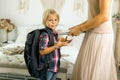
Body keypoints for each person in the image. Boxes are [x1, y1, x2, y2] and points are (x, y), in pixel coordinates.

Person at [69, 0, 118, 80]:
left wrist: (80, 28)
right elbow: (94, 16)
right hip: (92, 32)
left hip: (101, 34)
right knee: (85, 70)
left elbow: (104, 16)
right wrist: (78, 27)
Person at [39, 9, 70, 80]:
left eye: (55, 20)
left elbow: (55, 46)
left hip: (55, 66)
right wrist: (57, 46)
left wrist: (62, 42)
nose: (53, 22)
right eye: (50, 20)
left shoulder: (55, 33)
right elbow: (42, 51)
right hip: (47, 68)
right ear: (45, 21)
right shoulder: (45, 34)